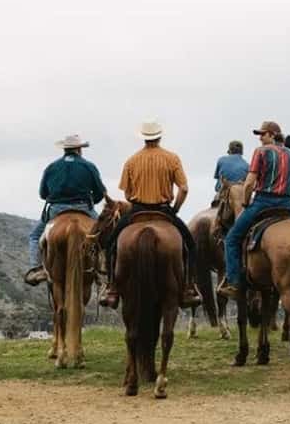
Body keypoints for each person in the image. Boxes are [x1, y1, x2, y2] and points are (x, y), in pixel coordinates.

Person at [99, 120, 201, 308]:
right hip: (164, 210)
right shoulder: (172, 158)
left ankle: (111, 288)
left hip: (137, 210)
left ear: (143, 138)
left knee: (112, 245)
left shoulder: (131, 161)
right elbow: (184, 188)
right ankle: (188, 287)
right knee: (190, 246)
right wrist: (175, 209)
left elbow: (127, 194)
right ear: (159, 137)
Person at [216, 121, 290, 299]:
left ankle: (234, 283)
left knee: (232, 238)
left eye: (262, 134)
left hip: (263, 202)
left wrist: (246, 202)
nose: (260, 138)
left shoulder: (261, 152)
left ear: (271, 135)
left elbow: (248, 183)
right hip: (286, 206)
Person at [24, 135, 106, 285]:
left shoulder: (52, 167)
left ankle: (37, 269)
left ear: (64, 149)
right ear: (79, 149)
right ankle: (102, 269)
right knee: (105, 234)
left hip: (56, 209)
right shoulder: (89, 166)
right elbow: (101, 192)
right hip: (84, 208)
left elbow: (43, 194)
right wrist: (91, 202)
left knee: (35, 236)